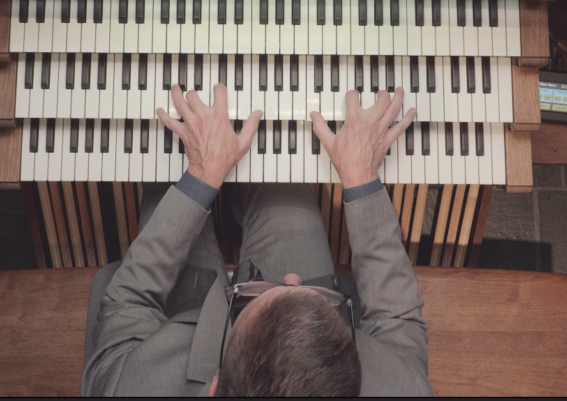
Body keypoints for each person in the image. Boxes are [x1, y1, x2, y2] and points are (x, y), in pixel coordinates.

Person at [81, 83, 434, 397]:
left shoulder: (132, 384)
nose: (292, 279)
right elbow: (396, 320)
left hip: (177, 330)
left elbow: (127, 303)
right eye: (305, 296)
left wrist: (202, 176)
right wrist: (362, 178)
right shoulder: (401, 388)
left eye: (251, 298)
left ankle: (213, 178)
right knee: (284, 190)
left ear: (214, 388)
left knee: (166, 177)